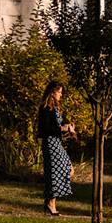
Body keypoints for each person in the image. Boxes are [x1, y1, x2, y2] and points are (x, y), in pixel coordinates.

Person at [36, 79, 77, 215]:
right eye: (59, 92)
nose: (61, 95)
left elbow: (62, 122)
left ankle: (49, 202)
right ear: (52, 93)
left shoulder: (56, 108)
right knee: (55, 173)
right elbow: (45, 128)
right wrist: (61, 129)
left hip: (57, 143)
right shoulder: (45, 108)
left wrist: (69, 127)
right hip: (50, 143)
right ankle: (51, 204)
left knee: (67, 170)